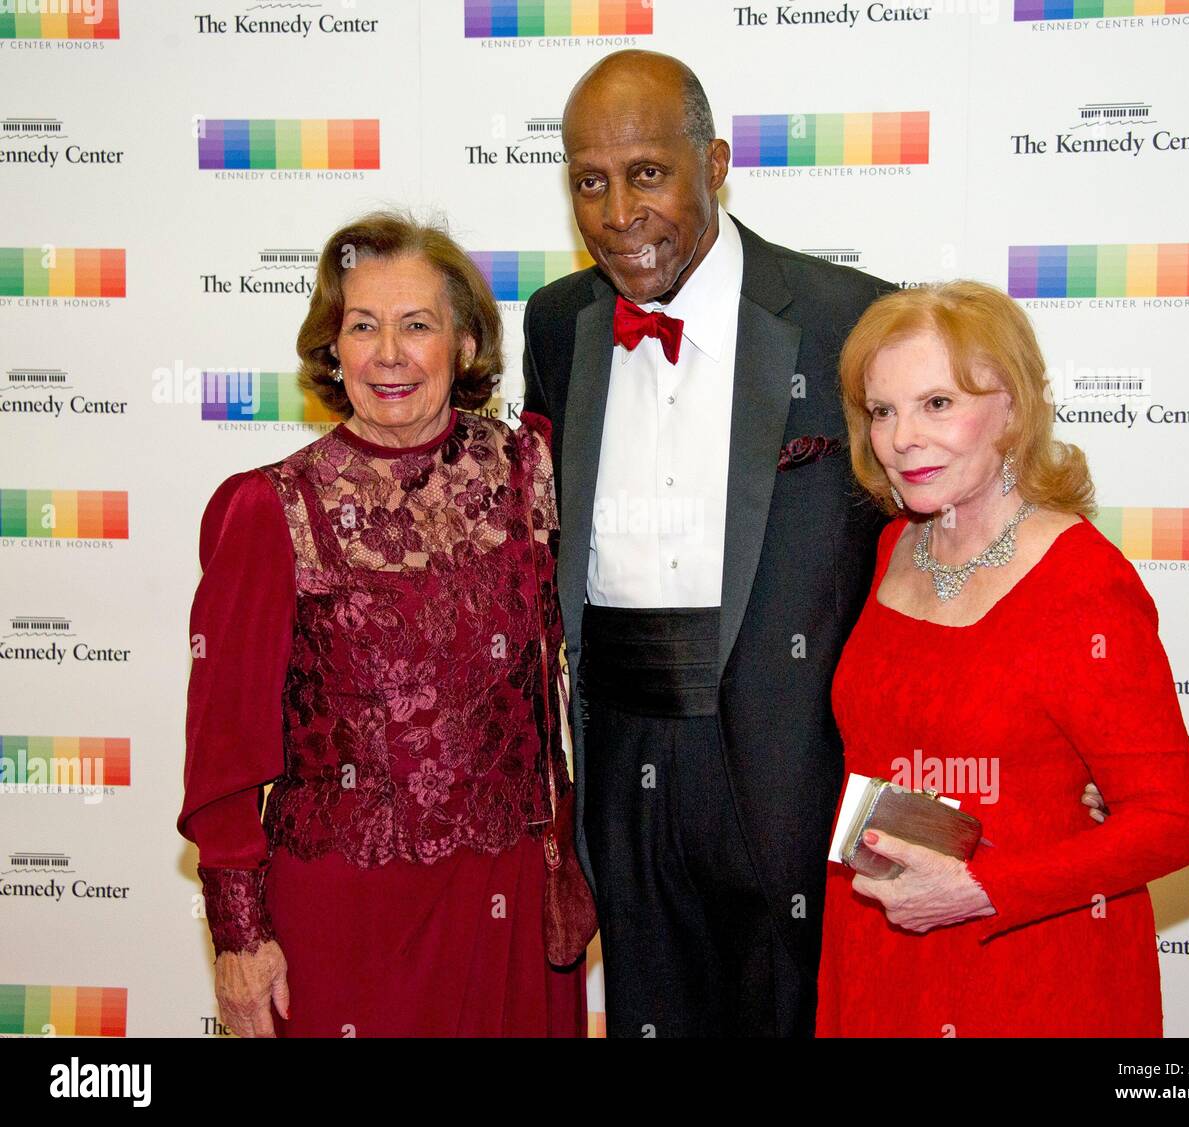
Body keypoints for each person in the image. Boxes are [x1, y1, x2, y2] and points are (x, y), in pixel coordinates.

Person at [521, 48, 894, 1037]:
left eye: (646, 174)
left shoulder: (846, 315)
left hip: (788, 747)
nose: (615, 213)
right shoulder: (559, 321)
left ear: (715, 164)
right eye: (587, 182)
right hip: (620, 740)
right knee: (649, 1004)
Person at [177, 210, 585, 1037]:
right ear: (333, 348)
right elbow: (224, 750)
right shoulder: (271, 507)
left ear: (465, 344)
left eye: (417, 326)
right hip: (349, 914)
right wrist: (241, 940)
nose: (389, 354)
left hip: (513, 897)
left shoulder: (530, 467)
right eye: (362, 326)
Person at [817, 280, 1189, 1037]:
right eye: (883, 410)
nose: (902, 438)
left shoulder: (1083, 582)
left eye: (938, 404)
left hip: (1027, 964)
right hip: (878, 949)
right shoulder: (896, 546)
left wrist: (979, 886)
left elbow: (1172, 818)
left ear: (1014, 410)